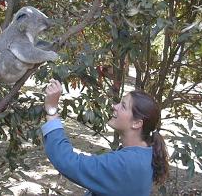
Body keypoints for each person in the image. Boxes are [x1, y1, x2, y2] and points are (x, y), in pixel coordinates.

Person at [41, 79, 169, 196]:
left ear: (137, 123)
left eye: (123, 106)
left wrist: (51, 110)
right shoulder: (145, 153)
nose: (115, 106)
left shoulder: (126, 163)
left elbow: (69, 162)